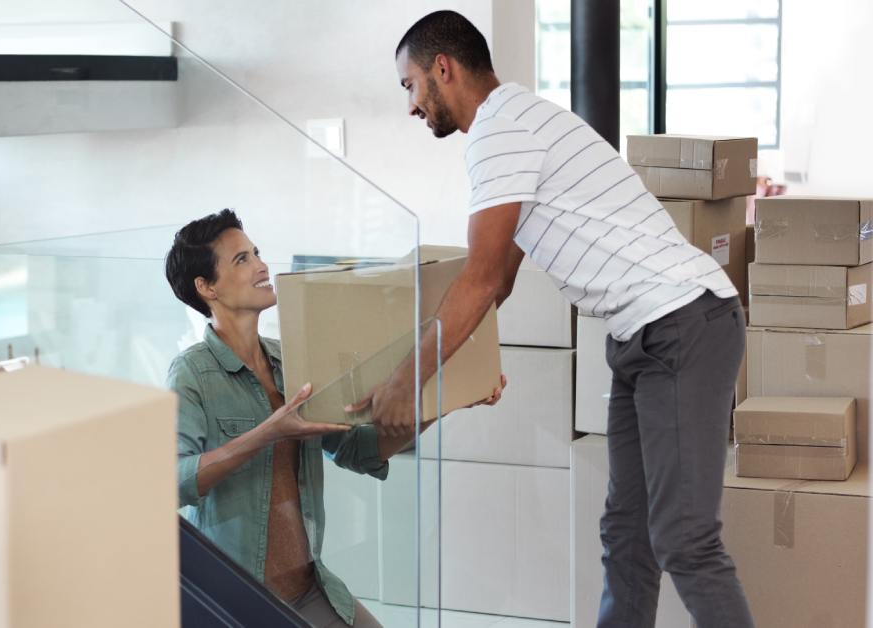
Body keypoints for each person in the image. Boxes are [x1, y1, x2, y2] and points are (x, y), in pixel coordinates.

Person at [355, 10, 755, 628]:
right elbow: (503, 279)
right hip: (643, 335)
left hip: (681, 324)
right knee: (627, 533)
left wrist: (404, 385)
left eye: (409, 86)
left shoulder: (500, 131)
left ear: (443, 68)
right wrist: (468, 371)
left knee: (684, 538)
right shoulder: (519, 120)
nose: (412, 106)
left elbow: (481, 278)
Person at [165, 209, 501, 628]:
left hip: (310, 589)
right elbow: (174, 481)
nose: (261, 266)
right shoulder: (192, 373)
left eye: (256, 253)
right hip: (242, 601)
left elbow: (358, 451)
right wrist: (269, 432)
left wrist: (450, 398)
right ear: (206, 287)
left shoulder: (289, 360)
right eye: (242, 260)